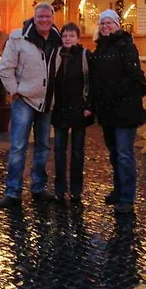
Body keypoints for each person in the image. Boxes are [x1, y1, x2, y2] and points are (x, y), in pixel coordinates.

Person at [0, 3, 62, 209]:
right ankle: (13, 192)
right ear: (34, 18)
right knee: (18, 146)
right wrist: (14, 90)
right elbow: (4, 68)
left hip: (46, 101)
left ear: (52, 18)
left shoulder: (58, 39)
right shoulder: (18, 38)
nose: (44, 20)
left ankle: (38, 187)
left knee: (43, 146)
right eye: (40, 16)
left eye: (47, 17)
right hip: (24, 100)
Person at [89, 9, 146, 215]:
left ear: (117, 25)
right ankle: (119, 189)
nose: (106, 27)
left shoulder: (127, 46)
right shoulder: (100, 47)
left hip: (125, 109)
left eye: (109, 23)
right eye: (103, 23)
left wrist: (114, 92)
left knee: (124, 153)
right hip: (107, 110)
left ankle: (127, 197)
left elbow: (133, 76)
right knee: (114, 153)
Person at [51, 22, 93, 204]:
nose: (68, 39)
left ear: (77, 38)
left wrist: (89, 106)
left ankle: (76, 189)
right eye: (65, 35)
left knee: (77, 152)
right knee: (59, 151)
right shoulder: (56, 55)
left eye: (71, 36)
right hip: (60, 109)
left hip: (78, 110)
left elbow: (91, 82)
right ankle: (59, 189)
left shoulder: (84, 55)